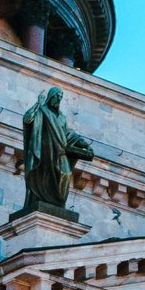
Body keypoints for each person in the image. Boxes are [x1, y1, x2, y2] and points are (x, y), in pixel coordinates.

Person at [19, 86, 93, 214]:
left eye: (61, 97)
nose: (59, 99)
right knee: (45, 177)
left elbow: (69, 135)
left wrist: (85, 145)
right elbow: (28, 119)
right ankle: (44, 200)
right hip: (45, 151)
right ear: (51, 97)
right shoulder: (42, 111)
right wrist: (37, 104)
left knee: (65, 174)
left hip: (60, 152)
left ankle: (59, 204)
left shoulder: (62, 117)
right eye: (57, 96)